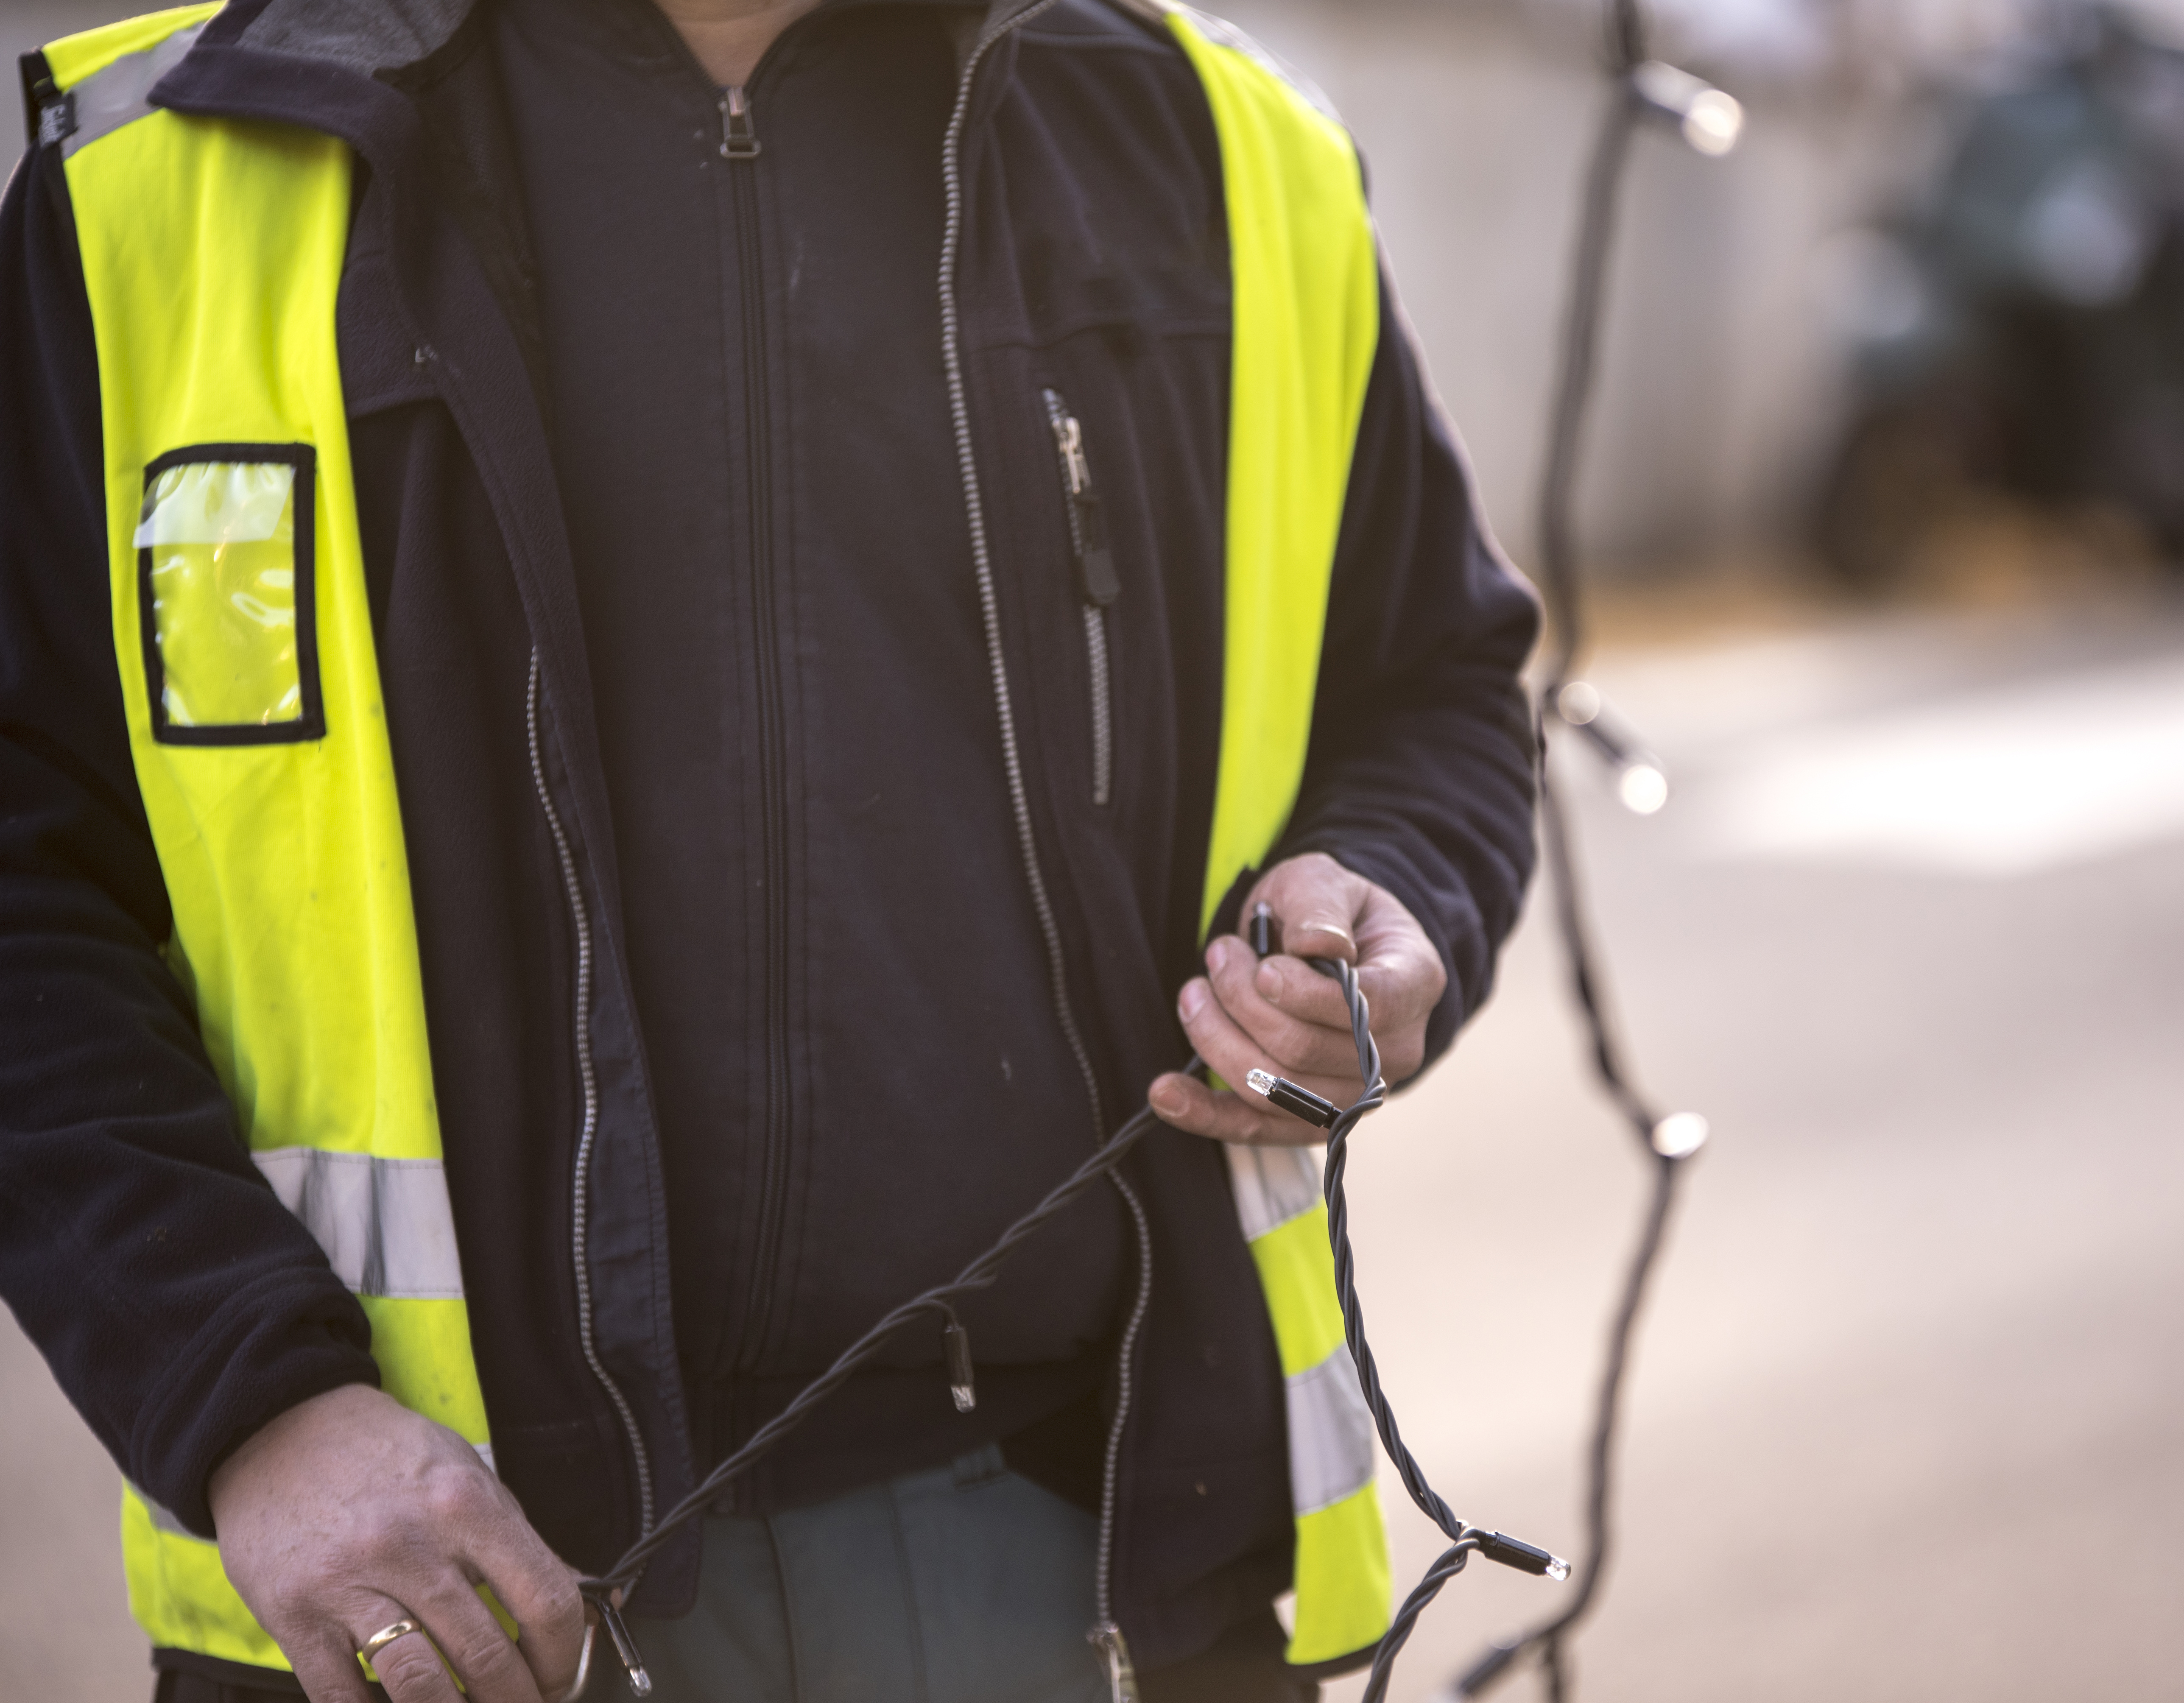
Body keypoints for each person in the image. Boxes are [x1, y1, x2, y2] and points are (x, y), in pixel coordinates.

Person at [0, 0, 1538, 1699]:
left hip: (1093, 1549)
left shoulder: (1226, 152)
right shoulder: (163, 179)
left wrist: (1403, 901)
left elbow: (1431, 686)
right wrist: (242, 1391)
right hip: (447, 1594)